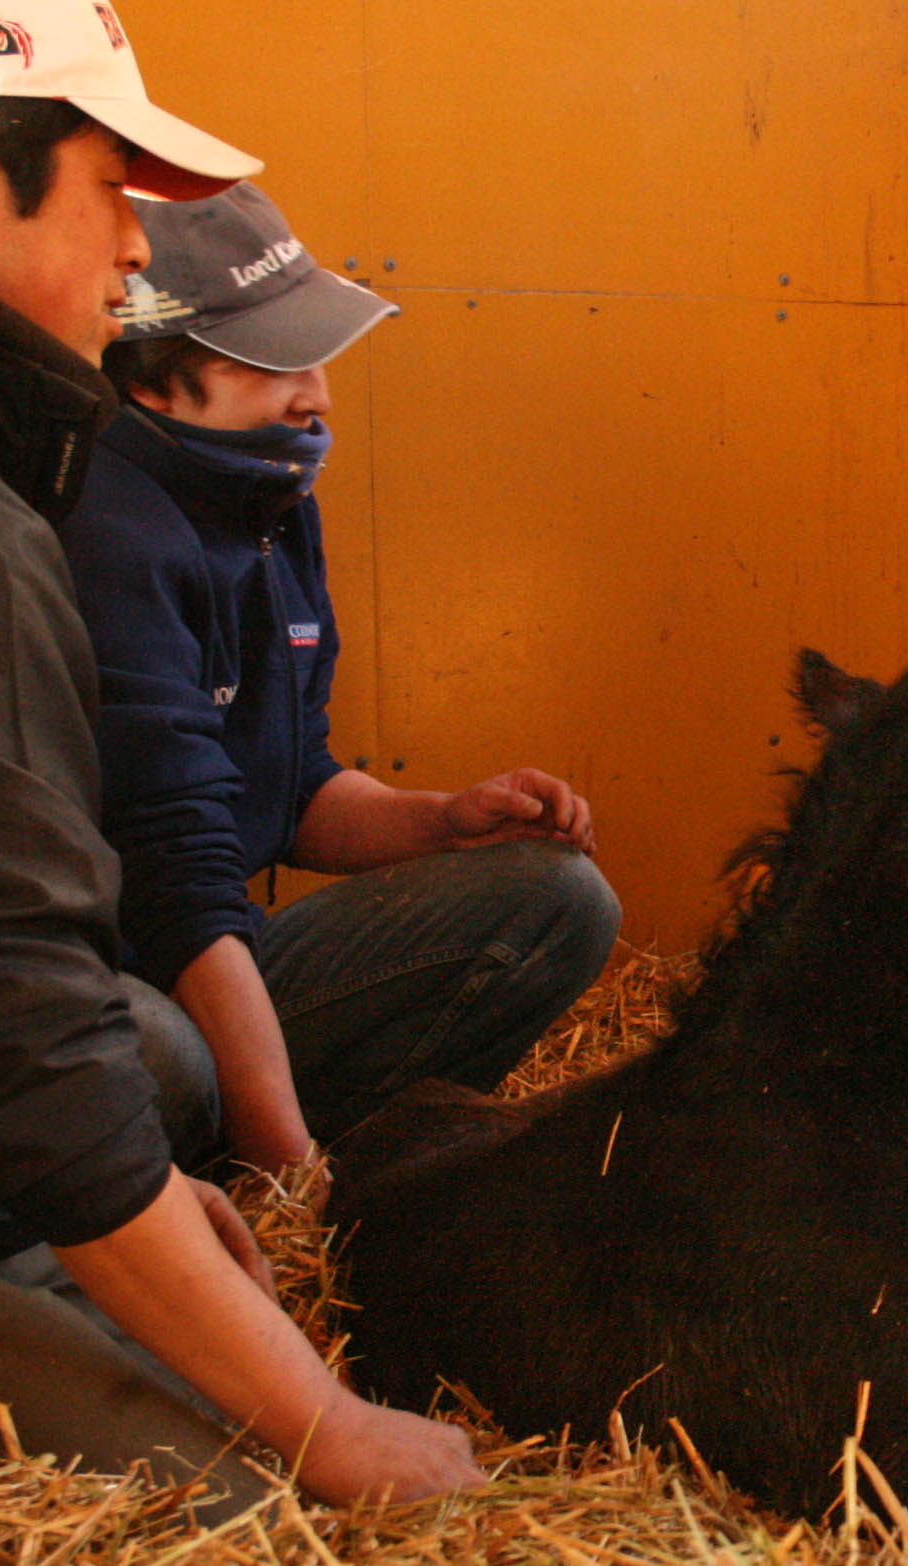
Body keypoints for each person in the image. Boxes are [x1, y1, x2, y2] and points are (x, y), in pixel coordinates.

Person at [0, 0, 482, 1516]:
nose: (136, 254)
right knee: (218, 1511)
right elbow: (12, 1026)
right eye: (114, 190)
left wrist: (119, 1197)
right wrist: (320, 1416)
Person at [61, 181, 619, 1173]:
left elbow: (295, 788)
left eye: (315, 353)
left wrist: (443, 821)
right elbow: (176, 879)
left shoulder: (264, 497)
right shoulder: (109, 527)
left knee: (561, 898)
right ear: (152, 377)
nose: (317, 395)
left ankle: (381, 1162)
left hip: (212, 956)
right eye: (276, 361)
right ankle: (239, 1174)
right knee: (165, 1057)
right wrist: (288, 1183)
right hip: (106, 984)